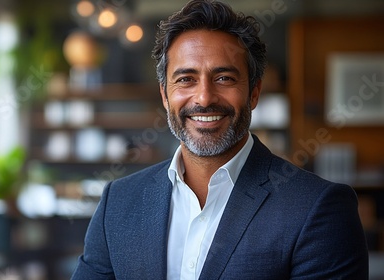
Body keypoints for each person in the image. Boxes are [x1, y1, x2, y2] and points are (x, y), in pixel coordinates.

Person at [71, 0, 369, 279]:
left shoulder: (318, 207)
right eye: (186, 79)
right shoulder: (119, 202)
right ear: (165, 95)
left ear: (253, 92)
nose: (204, 97)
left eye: (224, 78)